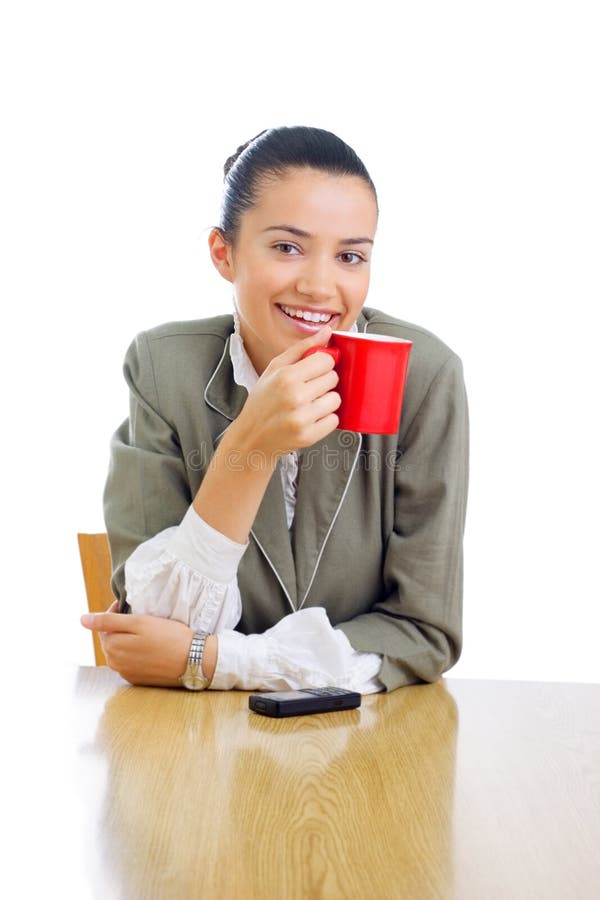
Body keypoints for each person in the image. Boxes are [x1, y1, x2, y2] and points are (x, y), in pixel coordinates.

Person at [81, 125, 469, 694]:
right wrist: (249, 446)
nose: (319, 285)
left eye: (350, 256)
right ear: (224, 253)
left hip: (365, 743)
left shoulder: (425, 376)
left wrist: (220, 662)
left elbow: (423, 629)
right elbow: (154, 629)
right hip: (191, 746)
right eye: (287, 247)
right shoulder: (163, 369)